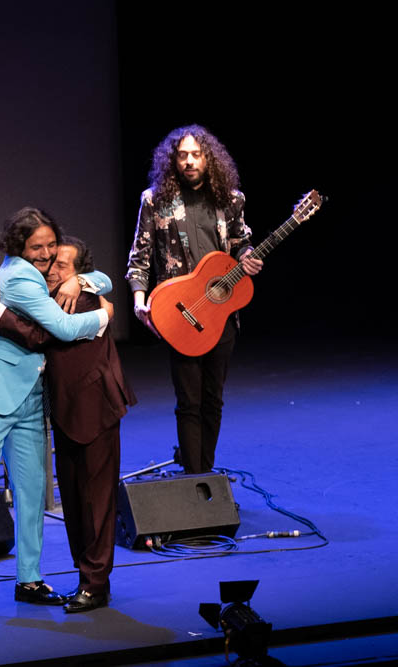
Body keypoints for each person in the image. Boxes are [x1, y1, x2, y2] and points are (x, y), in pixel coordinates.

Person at [0, 207, 112, 620]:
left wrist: (82, 278)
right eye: (35, 246)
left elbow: (102, 277)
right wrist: (105, 314)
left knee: (32, 487)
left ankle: (29, 578)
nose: (44, 254)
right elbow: (59, 329)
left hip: (29, 395)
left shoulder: (47, 272)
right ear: (18, 247)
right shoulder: (18, 278)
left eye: (50, 245)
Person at [0, 236, 135, 613]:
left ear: (79, 273)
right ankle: (89, 577)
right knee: (73, 499)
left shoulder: (81, 299)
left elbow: (41, 336)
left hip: (95, 408)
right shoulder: (57, 296)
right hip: (68, 412)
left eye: (63, 267)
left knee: (97, 502)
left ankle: (96, 584)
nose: (53, 271)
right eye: (50, 265)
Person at [126, 124, 263, 474]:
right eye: (182, 155)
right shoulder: (154, 200)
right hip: (180, 312)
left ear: (208, 158)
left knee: (213, 400)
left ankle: (207, 478)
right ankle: (194, 481)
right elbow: (139, 258)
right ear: (173, 160)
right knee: (189, 402)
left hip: (220, 313)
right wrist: (140, 300)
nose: (189, 161)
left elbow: (240, 240)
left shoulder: (230, 199)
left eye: (196, 155)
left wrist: (248, 255)